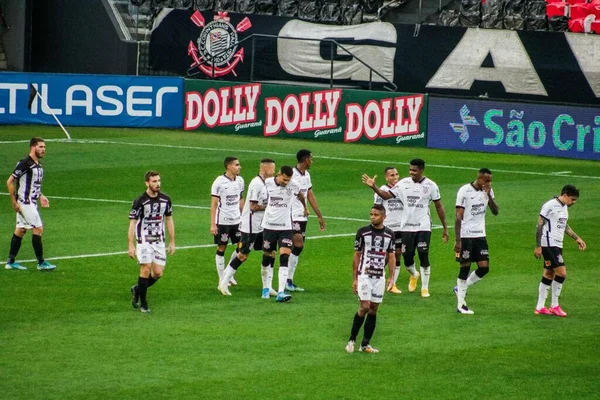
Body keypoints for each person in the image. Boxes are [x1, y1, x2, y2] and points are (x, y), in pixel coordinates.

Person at [362, 158, 448, 298]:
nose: (411, 172)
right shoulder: (403, 184)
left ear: (421, 170)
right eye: (410, 170)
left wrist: (445, 227)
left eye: (414, 170)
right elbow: (386, 195)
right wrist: (373, 186)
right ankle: (414, 274)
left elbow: (439, 206)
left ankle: (425, 288)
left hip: (423, 225)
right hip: (406, 227)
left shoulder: (431, 185)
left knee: (423, 253)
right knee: (407, 257)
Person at [218, 159, 276, 297]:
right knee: (243, 255)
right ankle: (223, 283)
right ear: (266, 169)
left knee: (270, 252)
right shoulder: (256, 184)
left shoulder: (268, 183)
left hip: (262, 226)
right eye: (273, 169)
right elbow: (253, 207)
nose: (274, 172)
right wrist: (270, 207)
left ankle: (267, 287)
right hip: (250, 226)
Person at [345, 204, 396, 354]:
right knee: (365, 306)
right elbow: (356, 255)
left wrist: (392, 277)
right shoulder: (363, 232)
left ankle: (365, 344)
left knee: (373, 309)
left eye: (376, 215)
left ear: (383, 217)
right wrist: (355, 278)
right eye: (371, 214)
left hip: (379, 277)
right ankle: (352, 339)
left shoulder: (390, 235)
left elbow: (391, 256)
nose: (372, 217)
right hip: (364, 275)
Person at [534, 185, 586, 317]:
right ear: (565, 194)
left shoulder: (564, 207)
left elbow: (564, 225)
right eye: (572, 199)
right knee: (561, 273)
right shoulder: (549, 205)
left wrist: (577, 238)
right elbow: (539, 224)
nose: (573, 202)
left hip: (558, 244)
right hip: (549, 244)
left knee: (548, 274)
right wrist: (538, 245)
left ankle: (540, 307)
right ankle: (555, 305)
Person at [5, 137, 56, 271]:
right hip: (25, 203)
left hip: (31, 202)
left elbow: (33, 185)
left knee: (21, 230)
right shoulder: (25, 164)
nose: (43, 149)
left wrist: (41, 196)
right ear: (33, 147)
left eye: (44, 147)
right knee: (38, 229)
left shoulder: (37, 165)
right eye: (40, 147)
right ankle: (41, 263)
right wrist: (14, 202)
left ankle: (10, 262)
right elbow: (10, 182)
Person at [128, 171, 176, 313]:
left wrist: (172, 241)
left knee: (157, 273)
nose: (158, 184)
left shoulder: (166, 200)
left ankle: (137, 289)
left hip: (159, 241)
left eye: (159, 181)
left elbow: (169, 219)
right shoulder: (140, 201)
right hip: (143, 240)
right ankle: (143, 304)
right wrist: (130, 245)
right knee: (145, 268)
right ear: (147, 183)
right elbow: (132, 223)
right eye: (154, 181)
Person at [453, 168, 499, 315]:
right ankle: (461, 305)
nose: (488, 183)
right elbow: (458, 216)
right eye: (486, 180)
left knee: (484, 267)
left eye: (490, 180)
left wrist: (488, 195)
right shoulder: (464, 191)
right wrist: (458, 240)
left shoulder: (488, 192)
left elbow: (495, 211)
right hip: (466, 235)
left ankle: (460, 288)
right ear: (479, 179)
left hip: (480, 235)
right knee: (465, 267)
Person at [261, 165, 307, 302]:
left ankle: (281, 291)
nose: (286, 182)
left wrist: (305, 207)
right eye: (284, 179)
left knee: (284, 257)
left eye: (288, 180)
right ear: (279, 174)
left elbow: (300, 194)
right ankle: (266, 287)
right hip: (269, 226)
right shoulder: (268, 183)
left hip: (286, 227)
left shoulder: (294, 185)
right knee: (267, 256)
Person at [287, 149, 326, 292]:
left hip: (302, 216)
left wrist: (319, 216)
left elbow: (310, 194)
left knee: (296, 247)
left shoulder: (306, 175)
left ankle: (288, 278)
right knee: (298, 244)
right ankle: (286, 279)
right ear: (305, 160)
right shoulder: (291, 175)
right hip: (291, 215)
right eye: (311, 158)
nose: (312, 161)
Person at [210, 156, 244, 288]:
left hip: (237, 220)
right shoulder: (219, 182)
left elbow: (240, 199)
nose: (239, 167)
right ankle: (221, 278)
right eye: (237, 165)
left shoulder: (240, 181)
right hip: (222, 221)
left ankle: (228, 273)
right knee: (221, 247)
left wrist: (244, 216)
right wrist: (213, 224)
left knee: (241, 247)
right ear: (229, 166)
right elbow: (213, 204)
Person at [373, 166, 403, 294]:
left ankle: (392, 284)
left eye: (396, 174)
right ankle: (374, 278)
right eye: (392, 175)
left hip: (401, 227)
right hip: (387, 228)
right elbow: (377, 208)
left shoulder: (402, 189)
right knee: (383, 256)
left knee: (397, 253)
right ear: (386, 177)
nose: (395, 177)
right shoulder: (382, 191)